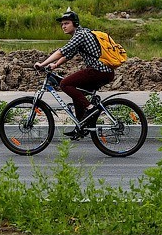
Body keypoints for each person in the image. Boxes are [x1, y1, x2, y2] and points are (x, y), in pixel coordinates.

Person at [34, 7, 114, 137]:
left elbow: (62, 51)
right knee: (76, 90)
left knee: (65, 84)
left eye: (66, 23)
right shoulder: (83, 32)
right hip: (103, 72)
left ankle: (90, 108)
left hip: (98, 71)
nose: (63, 26)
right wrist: (55, 65)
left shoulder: (80, 35)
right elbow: (69, 54)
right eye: (62, 24)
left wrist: (42, 64)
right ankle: (81, 125)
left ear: (75, 23)